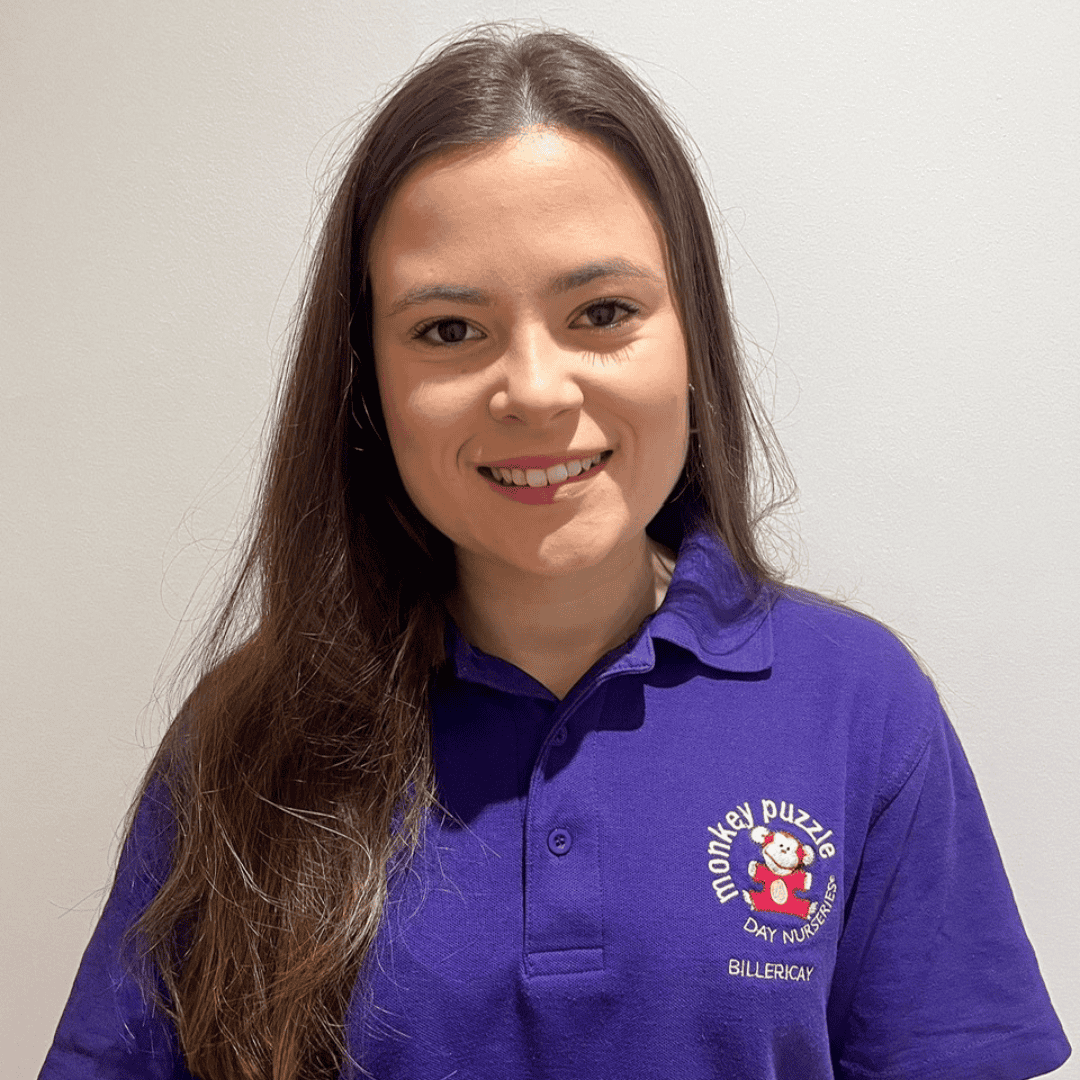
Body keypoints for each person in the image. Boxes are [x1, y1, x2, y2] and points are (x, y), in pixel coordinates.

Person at [39, 21, 1070, 1080]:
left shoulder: (857, 704)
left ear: (693, 341)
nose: (534, 391)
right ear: (366, 383)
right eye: (449, 329)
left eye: (602, 312)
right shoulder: (250, 734)